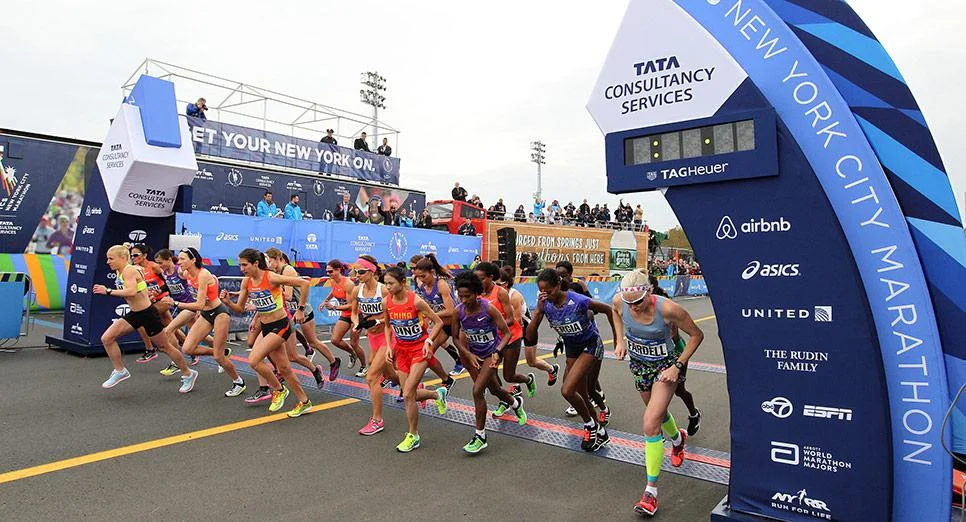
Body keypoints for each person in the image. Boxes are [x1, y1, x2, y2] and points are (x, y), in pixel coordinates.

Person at [613, 270, 703, 516]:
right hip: (640, 364)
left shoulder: (669, 309)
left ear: (649, 292)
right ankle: (677, 439)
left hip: (666, 366)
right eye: (629, 303)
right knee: (658, 415)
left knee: (650, 423)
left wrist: (678, 366)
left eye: (638, 302)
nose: (634, 308)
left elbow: (696, 335)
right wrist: (620, 341)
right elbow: (616, 313)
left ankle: (650, 493)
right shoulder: (621, 302)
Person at [525, 268, 616, 452]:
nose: (546, 295)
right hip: (572, 350)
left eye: (549, 291)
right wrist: (538, 312)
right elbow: (529, 336)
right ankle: (601, 433)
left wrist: (617, 339)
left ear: (559, 285)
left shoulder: (578, 301)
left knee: (567, 390)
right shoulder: (545, 305)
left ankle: (590, 426)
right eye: (542, 291)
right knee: (581, 396)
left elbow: (608, 310)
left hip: (590, 345)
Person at [221, 248, 313, 417]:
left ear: (256, 263)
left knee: (254, 360)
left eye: (245, 265)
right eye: (240, 265)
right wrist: (227, 302)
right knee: (285, 369)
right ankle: (305, 402)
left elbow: (304, 283)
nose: (241, 269)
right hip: (266, 326)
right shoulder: (246, 282)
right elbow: (240, 309)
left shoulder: (270, 277)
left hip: (282, 324)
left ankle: (278, 389)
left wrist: (300, 310)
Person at [94, 245, 198, 392]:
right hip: (135, 313)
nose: (108, 262)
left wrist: (108, 291)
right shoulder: (123, 271)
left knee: (165, 347)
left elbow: (131, 291)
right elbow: (138, 288)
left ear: (123, 258)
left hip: (147, 314)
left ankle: (188, 373)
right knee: (107, 338)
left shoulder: (129, 270)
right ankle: (120, 371)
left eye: (111, 258)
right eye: (107, 258)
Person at [452, 272, 526, 454]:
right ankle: (515, 403)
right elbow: (455, 338)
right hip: (474, 355)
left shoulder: (489, 309)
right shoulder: (458, 311)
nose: (464, 300)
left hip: (491, 355)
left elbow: (507, 333)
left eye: (467, 296)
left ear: (477, 293)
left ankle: (480, 436)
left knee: (478, 390)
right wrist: (467, 354)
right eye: (461, 296)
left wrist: (497, 351)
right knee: (494, 389)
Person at [159, 247, 246, 397]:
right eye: (178, 259)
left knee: (219, 357)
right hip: (205, 313)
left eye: (182, 259)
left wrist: (175, 303)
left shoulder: (203, 275)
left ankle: (239, 382)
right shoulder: (185, 273)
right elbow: (178, 278)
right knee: (187, 349)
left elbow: (199, 303)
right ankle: (221, 352)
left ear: (193, 260)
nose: (179, 262)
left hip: (219, 313)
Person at [382, 266, 449, 452]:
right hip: (402, 351)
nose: (387, 287)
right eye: (385, 283)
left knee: (407, 394)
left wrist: (429, 340)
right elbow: (388, 326)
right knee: (408, 393)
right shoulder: (386, 302)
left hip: (420, 350)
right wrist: (389, 346)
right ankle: (437, 394)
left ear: (403, 283)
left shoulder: (416, 301)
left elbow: (439, 322)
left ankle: (413, 435)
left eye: (391, 283)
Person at [266, 248, 340, 388]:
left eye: (270, 261)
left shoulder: (287, 271)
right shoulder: (274, 272)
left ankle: (333, 361)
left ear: (277, 259)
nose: (268, 264)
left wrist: (271, 289)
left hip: (302, 310)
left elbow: (287, 296)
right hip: (288, 312)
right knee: (281, 344)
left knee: (313, 341)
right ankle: (282, 369)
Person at [473, 262, 530, 415]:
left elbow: (511, 319)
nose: (479, 282)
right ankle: (505, 401)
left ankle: (528, 380)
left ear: (491, 277)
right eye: (476, 279)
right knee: (493, 376)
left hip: (510, 336)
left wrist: (491, 325)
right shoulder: (477, 294)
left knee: (509, 376)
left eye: (482, 279)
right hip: (492, 341)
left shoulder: (501, 292)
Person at [353, 255, 401, 436]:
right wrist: (357, 322)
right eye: (355, 272)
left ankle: (377, 420)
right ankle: (410, 386)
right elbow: (353, 312)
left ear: (372, 272)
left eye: (361, 272)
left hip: (388, 337)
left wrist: (377, 321)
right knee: (388, 373)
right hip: (373, 339)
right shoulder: (357, 291)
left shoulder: (384, 291)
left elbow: (395, 313)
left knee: (372, 377)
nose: (357, 275)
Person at [649, 275, 702, 434]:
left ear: (650, 290)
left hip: (675, 351)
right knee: (653, 393)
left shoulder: (666, 308)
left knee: (679, 391)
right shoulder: (640, 307)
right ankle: (657, 431)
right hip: (655, 353)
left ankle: (694, 414)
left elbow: (673, 335)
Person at [499, 266, 559, 388]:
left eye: (497, 284)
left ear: (505, 284)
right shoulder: (496, 295)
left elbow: (516, 322)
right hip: (507, 329)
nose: (494, 286)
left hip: (526, 329)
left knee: (531, 361)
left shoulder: (514, 297)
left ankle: (551, 369)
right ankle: (512, 387)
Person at [413, 254, 464, 378]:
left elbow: (451, 311)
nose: (421, 279)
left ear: (432, 272)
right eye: (418, 276)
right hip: (443, 325)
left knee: (466, 354)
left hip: (458, 324)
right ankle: (444, 380)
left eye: (423, 276)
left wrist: (431, 315)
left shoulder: (441, 285)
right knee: (428, 351)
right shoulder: (422, 286)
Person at [129, 244, 175, 363]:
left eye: (136, 255)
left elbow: (168, 284)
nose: (133, 257)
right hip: (151, 301)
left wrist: (158, 291)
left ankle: (150, 350)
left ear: (144, 255)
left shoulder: (154, 267)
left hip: (163, 300)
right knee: (170, 325)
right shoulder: (134, 269)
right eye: (131, 255)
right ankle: (190, 351)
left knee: (140, 320)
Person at [319, 259, 367, 374]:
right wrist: (325, 301)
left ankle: (364, 366)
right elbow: (334, 291)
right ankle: (352, 354)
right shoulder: (333, 281)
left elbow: (351, 306)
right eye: (327, 271)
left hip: (356, 315)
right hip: (345, 315)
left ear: (338, 270)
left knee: (354, 343)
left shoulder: (348, 284)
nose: (328, 274)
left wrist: (335, 307)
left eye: (330, 272)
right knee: (335, 340)